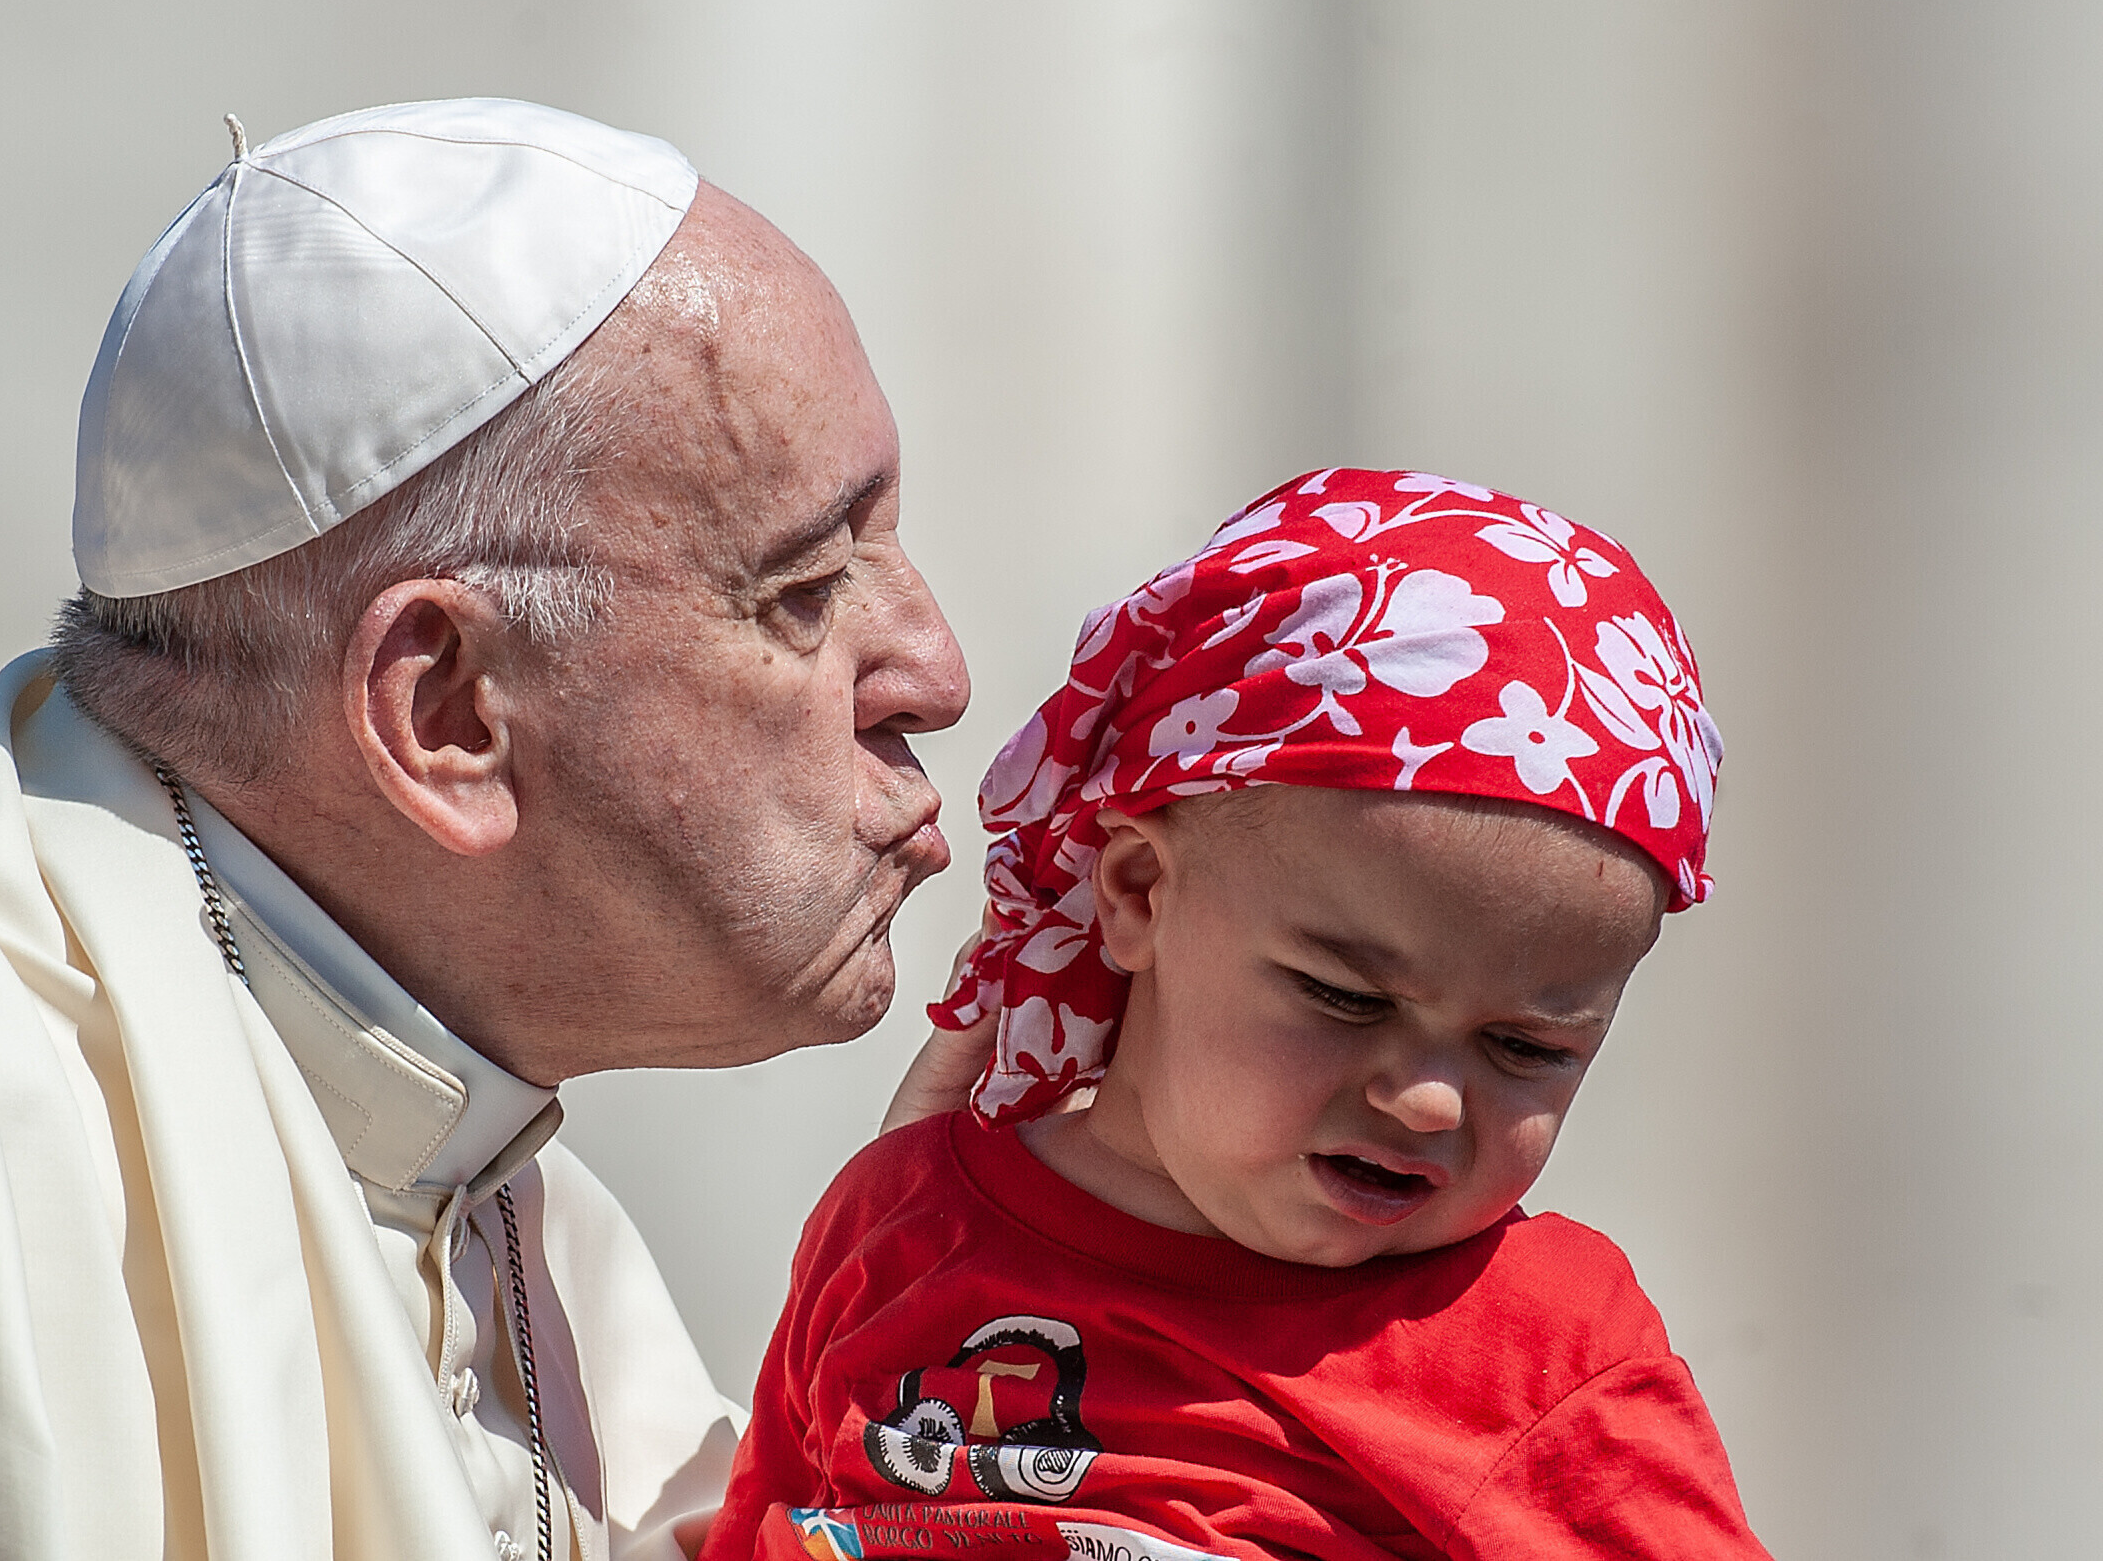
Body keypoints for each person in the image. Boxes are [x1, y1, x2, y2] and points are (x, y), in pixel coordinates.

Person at [0, 98, 969, 1561]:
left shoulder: (522, 1223)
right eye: (806, 587)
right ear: (448, 713)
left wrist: (922, 1344)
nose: (936, 671)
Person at [702, 468, 1772, 1561]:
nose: (1429, 1100)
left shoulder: (1540, 1349)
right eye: (1348, 997)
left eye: (1526, 1047)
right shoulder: (899, 1224)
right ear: (1138, 893)